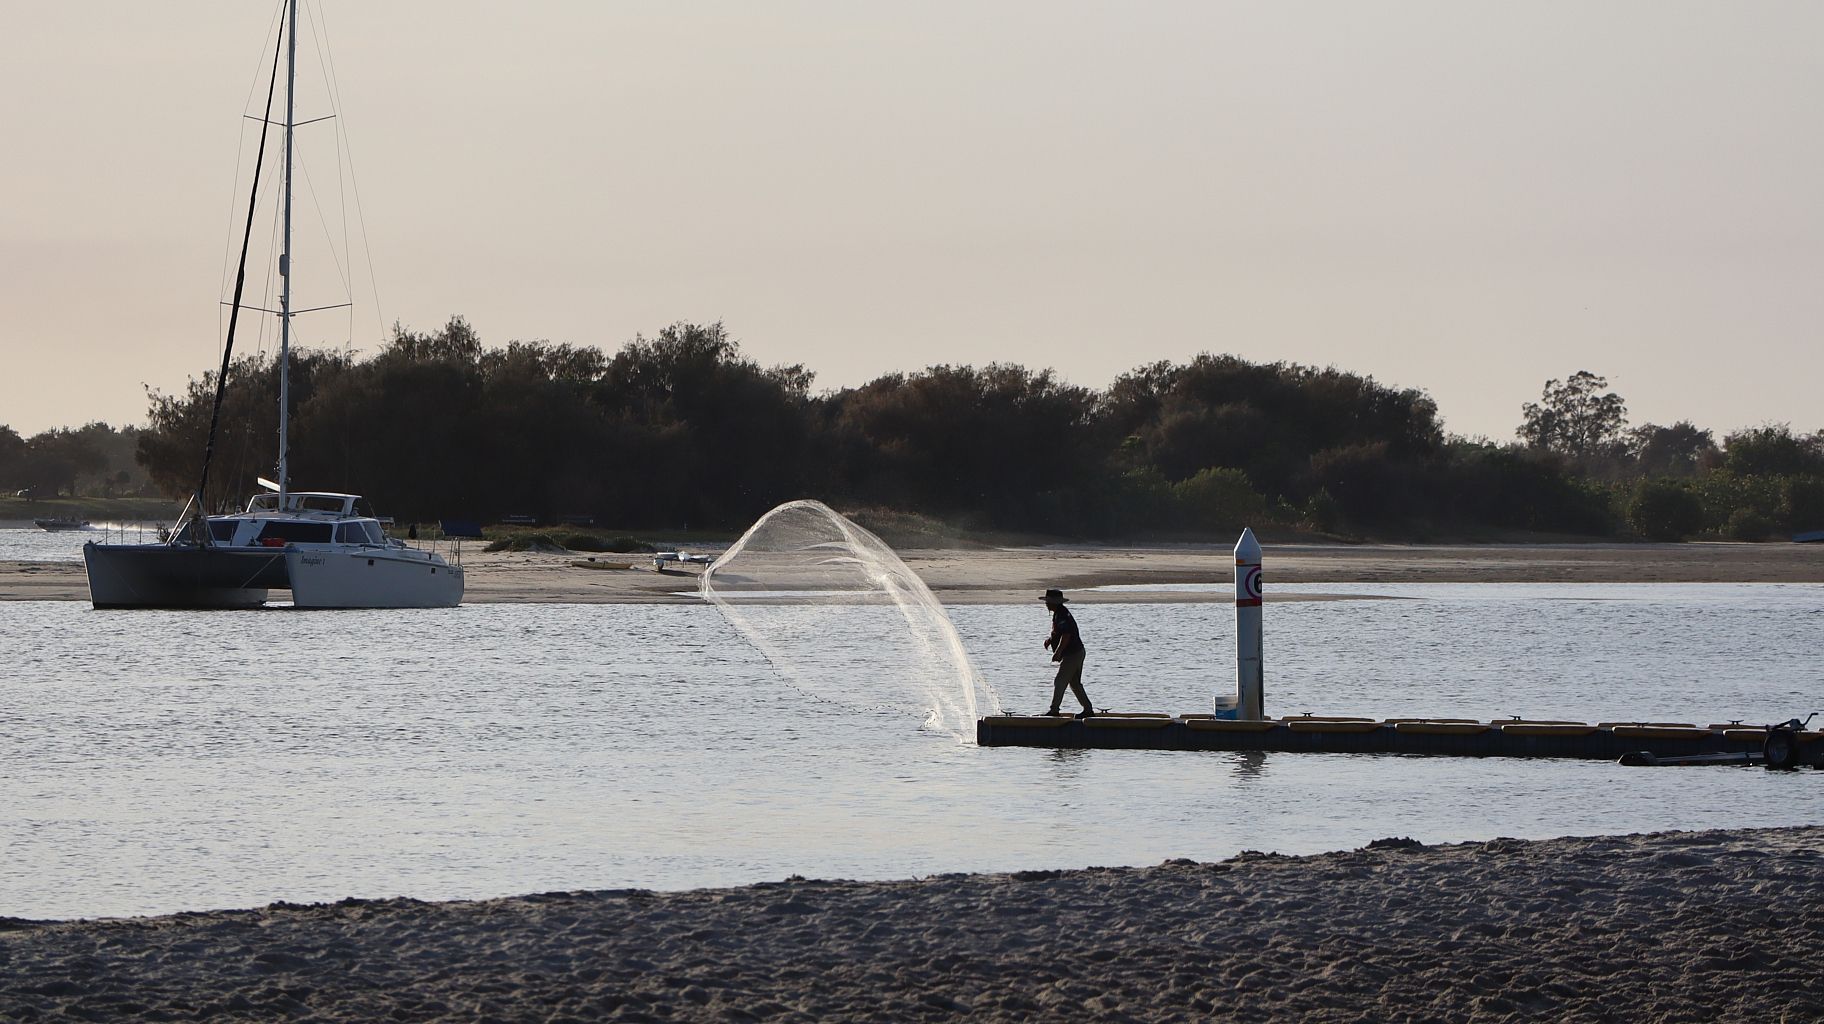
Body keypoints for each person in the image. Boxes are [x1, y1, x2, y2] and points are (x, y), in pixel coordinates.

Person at [1041, 588, 1095, 719]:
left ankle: (1054, 710)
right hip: (1077, 652)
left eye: (1048, 601)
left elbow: (1066, 635)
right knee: (1075, 683)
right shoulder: (1058, 613)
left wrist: (1058, 652)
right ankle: (1088, 710)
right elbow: (1058, 632)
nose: (1046, 604)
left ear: (1054, 602)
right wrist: (1050, 640)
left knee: (1060, 681)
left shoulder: (1062, 615)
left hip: (1073, 654)